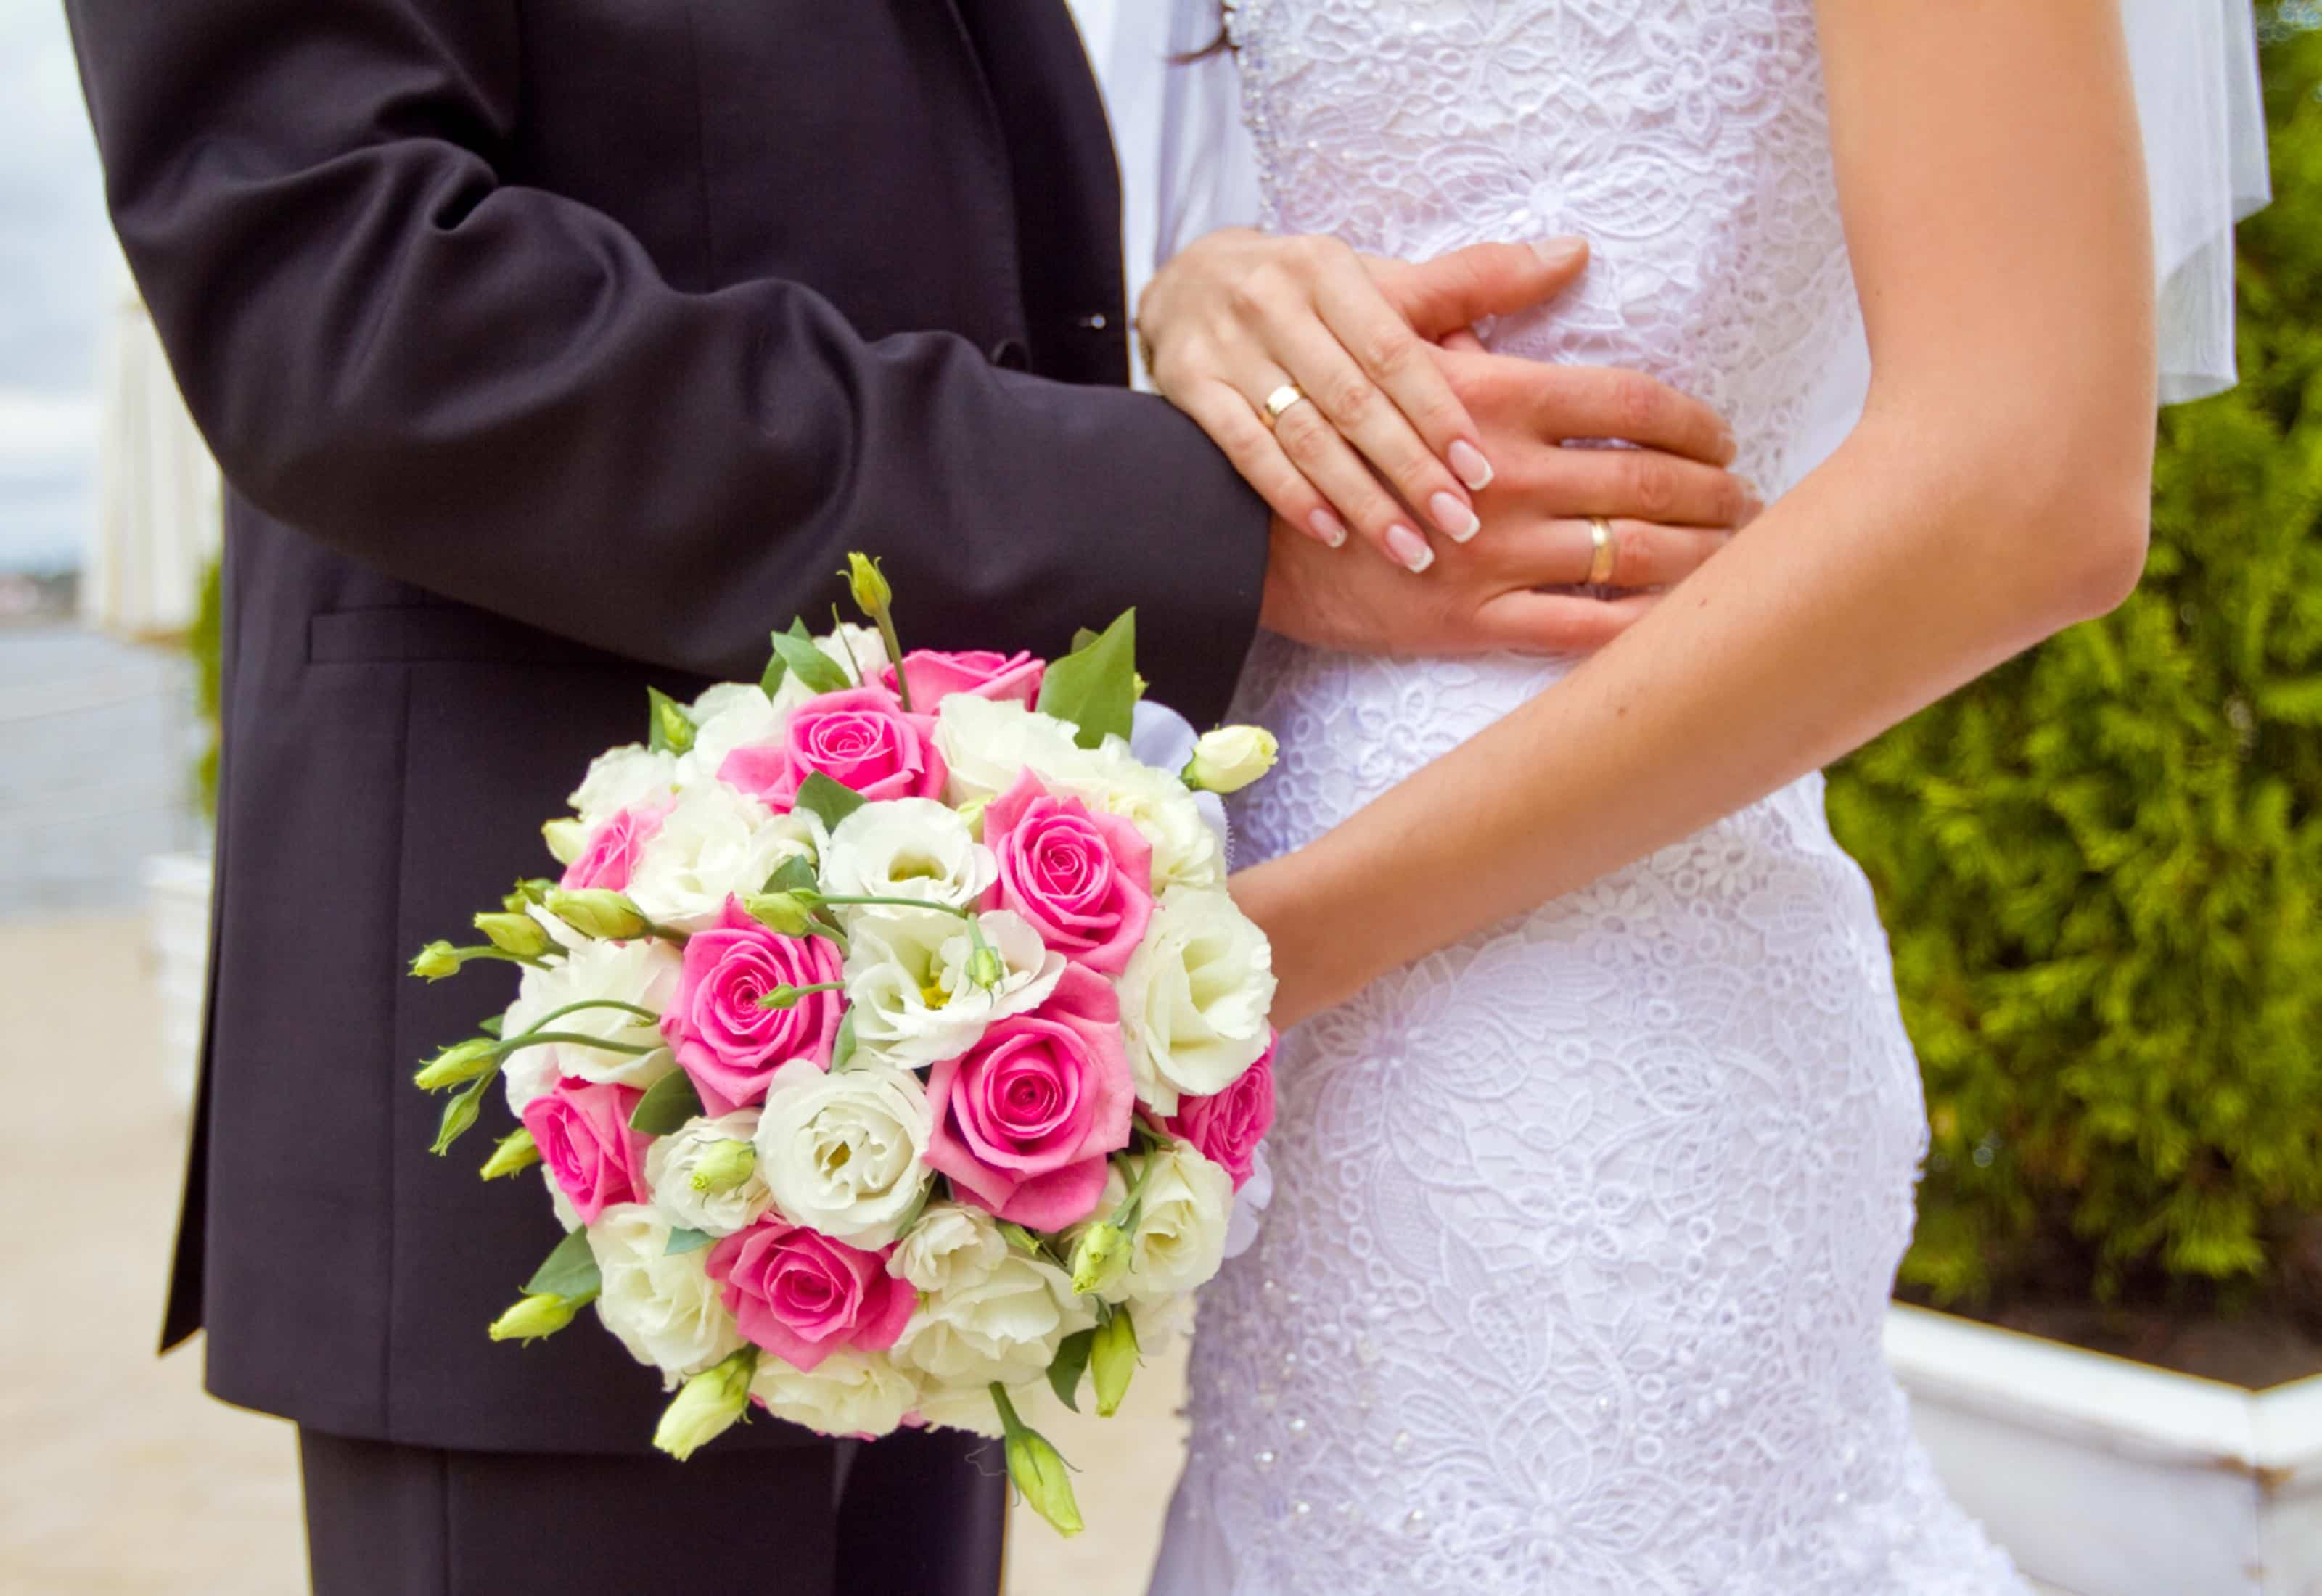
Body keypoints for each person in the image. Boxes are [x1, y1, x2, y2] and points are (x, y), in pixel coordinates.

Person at [59, 1, 1757, 1589]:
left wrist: (1194, 301)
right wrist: (1193, 523)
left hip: (974, 1049)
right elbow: (345, 306)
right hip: (580, 1068)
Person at [1124, 1, 2269, 1591]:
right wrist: (1196, 297)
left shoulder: (1291, 949)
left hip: (1584, 1028)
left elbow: (2034, 479)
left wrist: (1274, 946)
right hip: (1306, 1047)